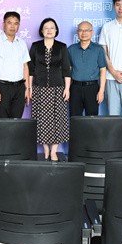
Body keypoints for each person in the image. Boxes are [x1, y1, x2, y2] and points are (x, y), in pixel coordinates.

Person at [29, 18, 71, 161]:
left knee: (57, 119)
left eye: (52, 27)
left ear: (56, 30)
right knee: (41, 119)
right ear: (41, 30)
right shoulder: (35, 46)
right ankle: (46, 149)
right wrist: (29, 88)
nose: (49, 30)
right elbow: (30, 69)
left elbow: (66, 69)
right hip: (39, 88)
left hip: (57, 88)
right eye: (46, 27)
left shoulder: (62, 47)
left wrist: (67, 88)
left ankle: (54, 151)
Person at [0, 11, 31, 119]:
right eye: (9, 23)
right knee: (2, 122)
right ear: (4, 24)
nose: (12, 26)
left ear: (19, 25)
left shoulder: (22, 43)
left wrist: (27, 88)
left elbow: (25, 66)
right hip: (2, 87)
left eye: (16, 23)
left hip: (19, 88)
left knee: (17, 121)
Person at [67, 21, 107, 116]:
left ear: (92, 32)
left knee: (92, 119)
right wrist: (67, 89)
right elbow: (68, 70)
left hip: (92, 88)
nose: (84, 33)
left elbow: (103, 70)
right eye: (81, 30)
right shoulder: (71, 49)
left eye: (87, 30)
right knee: (74, 117)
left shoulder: (98, 49)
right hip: (75, 88)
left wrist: (101, 91)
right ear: (77, 32)